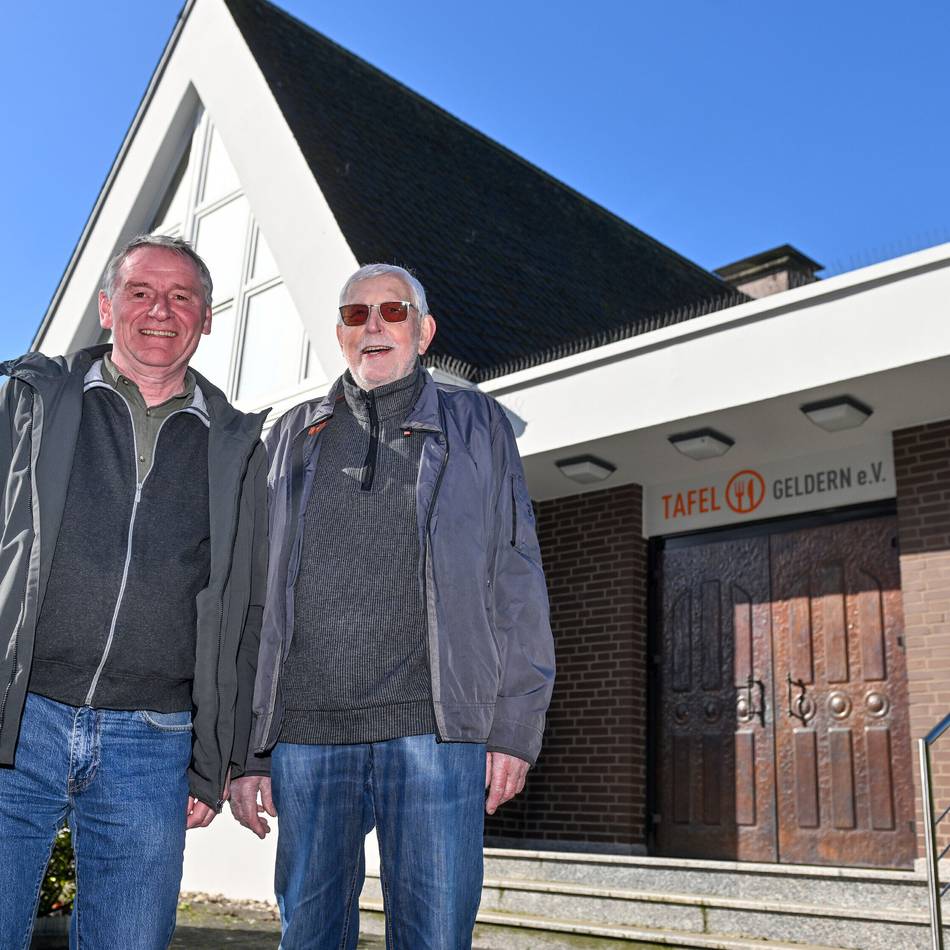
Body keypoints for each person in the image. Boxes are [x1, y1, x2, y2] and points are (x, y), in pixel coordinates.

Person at [230, 263, 555, 949]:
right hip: (307, 736)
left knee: (435, 937)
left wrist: (514, 726)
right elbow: (255, 595)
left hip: (435, 732)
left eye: (393, 310)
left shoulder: (478, 425)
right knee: (308, 937)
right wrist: (247, 748)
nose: (374, 325)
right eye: (356, 314)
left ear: (424, 329)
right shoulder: (290, 435)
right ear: (341, 335)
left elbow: (516, 577)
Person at [0, 234, 269, 949]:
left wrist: (227, 754)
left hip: (152, 742)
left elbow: (249, 609)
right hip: (18, 717)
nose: (161, 310)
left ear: (206, 319)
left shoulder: (240, 448)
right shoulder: (29, 404)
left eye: (183, 297)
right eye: (142, 292)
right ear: (106, 307)